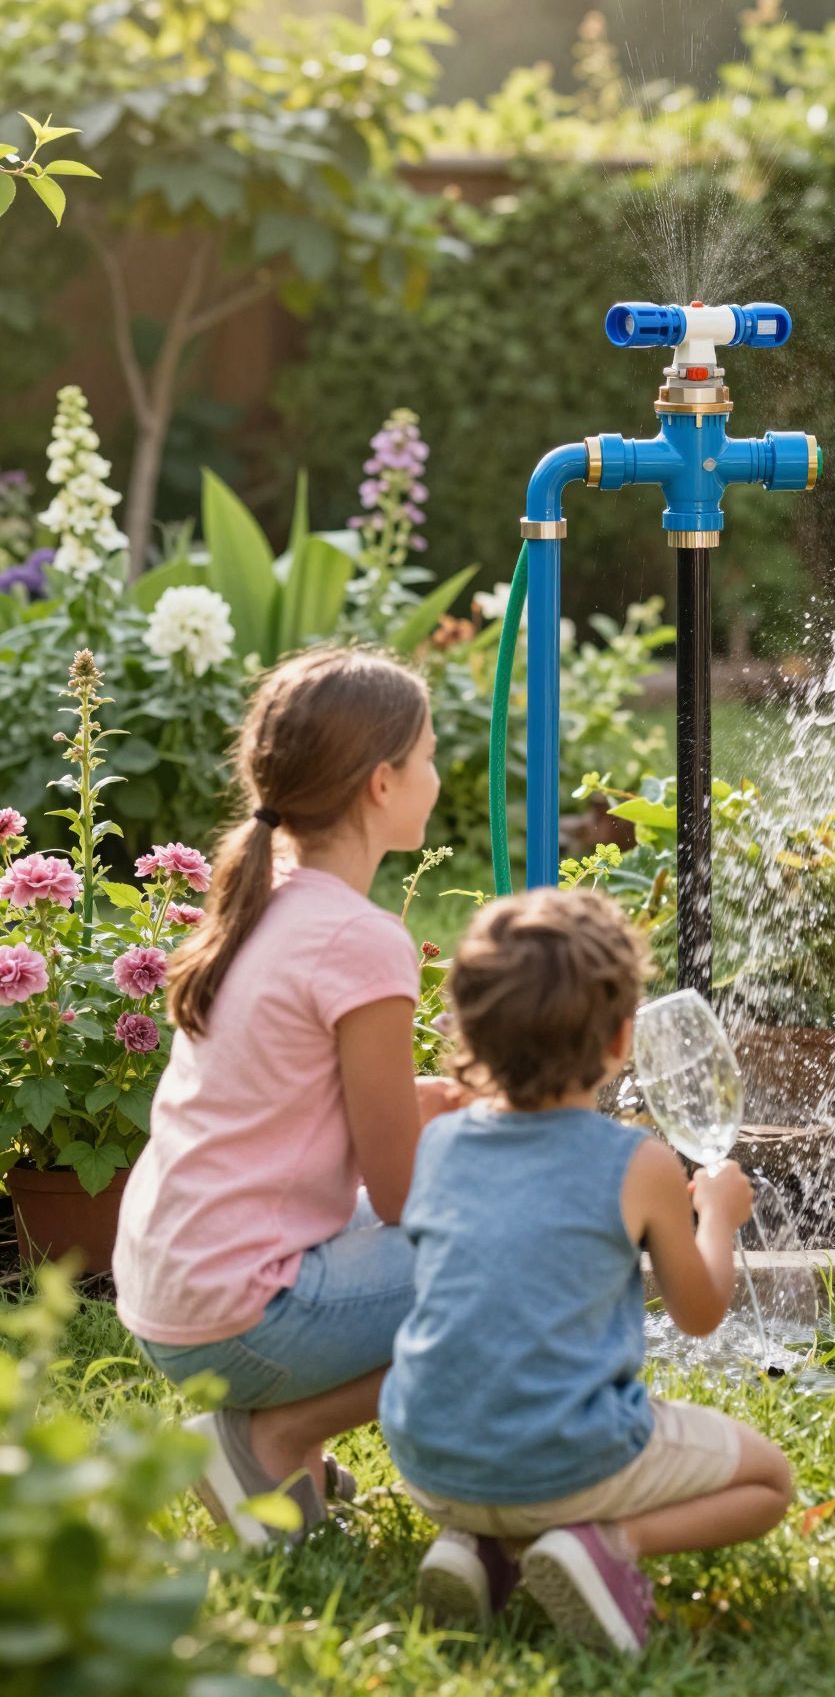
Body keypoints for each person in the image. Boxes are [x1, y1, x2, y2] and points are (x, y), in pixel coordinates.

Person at [381, 888, 793, 1654]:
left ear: (467, 1028)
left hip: (429, 1456)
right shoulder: (636, 1163)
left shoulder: (438, 1141)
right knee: (769, 1482)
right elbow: (700, 1314)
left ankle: (481, 1546)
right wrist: (721, 1219)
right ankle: (603, 1546)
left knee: (498, 1455)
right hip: (566, 1458)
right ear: (621, 1041)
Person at [115, 647, 456, 1544]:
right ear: (382, 784)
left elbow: (284, 1105)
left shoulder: (264, 902)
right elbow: (399, 1196)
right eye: (426, 755)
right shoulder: (361, 940)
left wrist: (429, 1103)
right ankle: (273, 1437)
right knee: (515, 1266)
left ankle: (262, 1443)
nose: (436, 772)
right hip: (240, 1314)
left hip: (169, 1289)